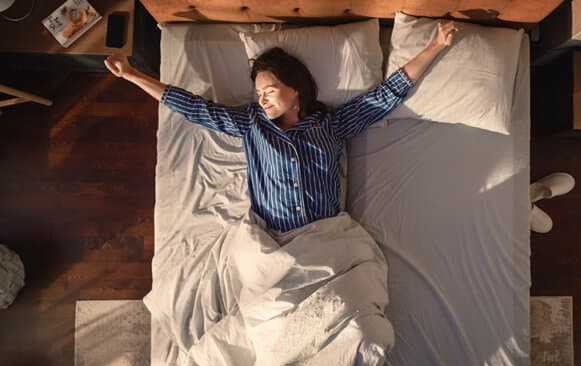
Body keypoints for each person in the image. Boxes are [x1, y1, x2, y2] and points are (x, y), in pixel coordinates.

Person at [105, 20, 457, 233]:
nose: (262, 100)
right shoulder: (251, 124)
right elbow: (195, 109)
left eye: (269, 91)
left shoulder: (330, 126)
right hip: (272, 240)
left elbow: (385, 95)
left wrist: (435, 45)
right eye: (258, 94)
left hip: (326, 238)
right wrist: (133, 75)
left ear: (296, 89)